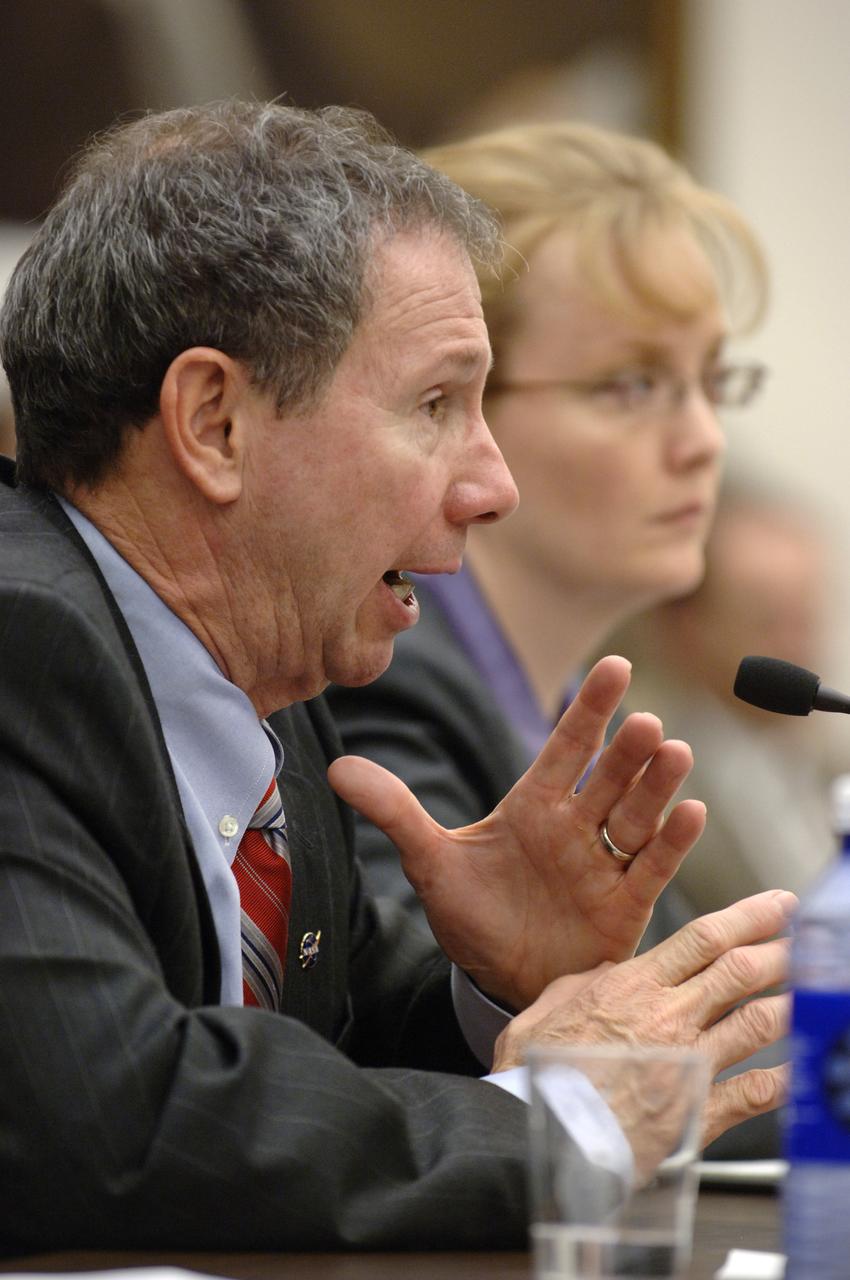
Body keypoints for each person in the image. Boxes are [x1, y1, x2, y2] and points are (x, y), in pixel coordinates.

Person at [0, 99, 790, 1255]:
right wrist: (559, 1122)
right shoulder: (25, 647)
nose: (491, 484)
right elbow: (112, 1115)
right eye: (435, 405)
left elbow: (327, 1074)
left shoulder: (270, 681)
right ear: (213, 422)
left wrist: (491, 988)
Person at [326, 121, 781, 1159]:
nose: (703, 437)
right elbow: (434, 1066)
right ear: (455, 401)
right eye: (631, 384)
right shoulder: (382, 680)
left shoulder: (594, 707)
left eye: (713, 379)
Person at [614, 480, 837, 914]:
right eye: (768, 622)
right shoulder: (642, 777)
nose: (797, 650)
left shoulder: (823, 759)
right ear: (686, 625)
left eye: (805, 620)